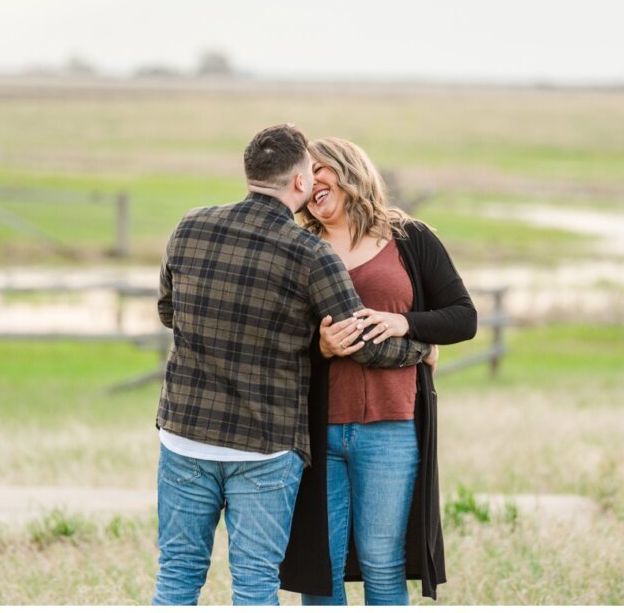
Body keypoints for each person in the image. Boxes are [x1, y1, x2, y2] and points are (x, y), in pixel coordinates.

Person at [152, 124, 436, 606]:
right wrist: (418, 348)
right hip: (266, 446)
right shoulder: (311, 253)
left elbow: (168, 311)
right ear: (300, 183)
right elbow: (360, 342)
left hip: (185, 437)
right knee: (256, 584)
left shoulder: (190, 224)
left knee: (177, 575)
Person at [279, 138, 477, 605]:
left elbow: (463, 317)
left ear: (348, 169)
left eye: (319, 169)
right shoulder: (300, 246)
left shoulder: (410, 238)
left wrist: (405, 322)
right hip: (318, 432)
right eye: (305, 176)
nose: (311, 182)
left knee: (383, 564)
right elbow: (277, 336)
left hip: (393, 428)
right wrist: (320, 346)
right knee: (320, 570)